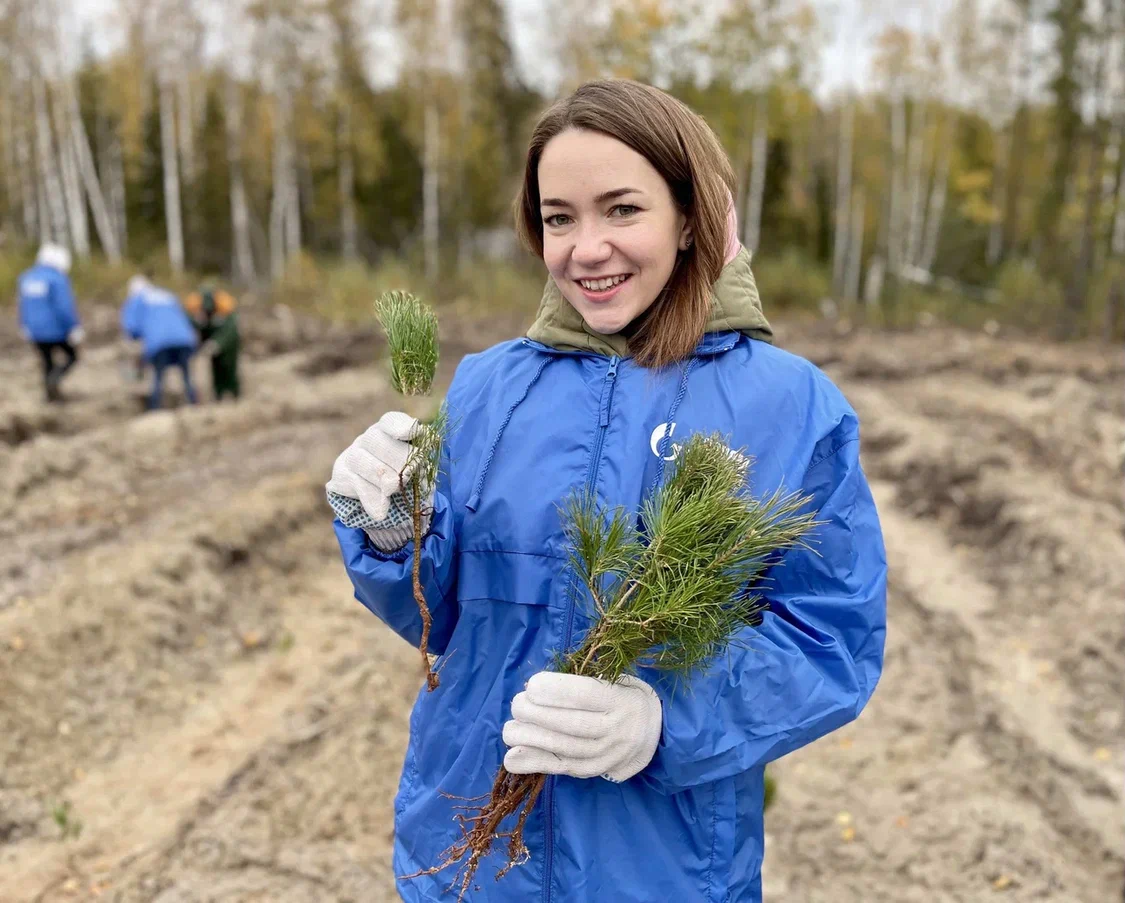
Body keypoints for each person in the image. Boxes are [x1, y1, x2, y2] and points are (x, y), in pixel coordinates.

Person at [326, 80, 887, 903]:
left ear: (690, 215)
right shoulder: (488, 387)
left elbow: (831, 642)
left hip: (663, 867)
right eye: (559, 217)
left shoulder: (789, 407)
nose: (585, 248)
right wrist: (389, 535)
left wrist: (664, 719)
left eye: (621, 209)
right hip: (469, 855)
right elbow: (441, 619)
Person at [120, 275, 199, 410]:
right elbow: (185, 317)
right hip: (184, 339)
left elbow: (131, 327)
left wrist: (136, 340)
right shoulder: (167, 295)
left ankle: (155, 410)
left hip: (159, 343)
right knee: (186, 376)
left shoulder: (136, 300)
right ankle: (194, 405)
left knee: (158, 377)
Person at [17, 243, 83, 402]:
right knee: (72, 356)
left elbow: (22, 304)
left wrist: (24, 325)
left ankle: (50, 396)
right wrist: (74, 327)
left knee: (47, 362)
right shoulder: (57, 279)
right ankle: (54, 382)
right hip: (55, 330)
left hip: (34, 331)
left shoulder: (27, 277)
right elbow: (64, 307)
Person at [184, 284, 241, 400]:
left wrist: (217, 343)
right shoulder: (197, 308)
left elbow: (230, 331)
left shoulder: (225, 310)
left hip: (229, 347)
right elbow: (194, 325)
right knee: (216, 372)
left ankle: (235, 396)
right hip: (212, 346)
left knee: (229, 371)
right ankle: (219, 396)